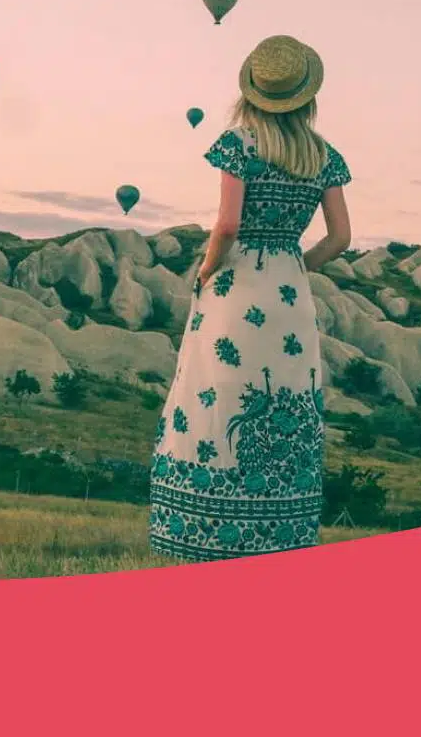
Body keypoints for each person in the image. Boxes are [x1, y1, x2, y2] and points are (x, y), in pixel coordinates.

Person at [148, 34, 353, 561]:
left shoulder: (238, 143)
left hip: (236, 289)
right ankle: (279, 534)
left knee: (214, 394)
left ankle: (201, 531)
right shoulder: (323, 155)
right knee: (288, 398)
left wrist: (206, 267)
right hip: (289, 293)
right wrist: (296, 266)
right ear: (307, 96)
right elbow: (340, 238)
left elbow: (227, 224)